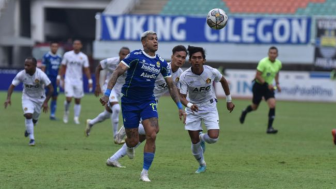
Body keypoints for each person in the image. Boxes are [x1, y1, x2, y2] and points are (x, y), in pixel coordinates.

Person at [100, 31, 186, 182]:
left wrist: (180, 106)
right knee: (132, 141)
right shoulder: (135, 56)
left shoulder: (160, 62)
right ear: (143, 42)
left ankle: (144, 173)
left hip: (148, 101)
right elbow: (117, 72)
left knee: (152, 133)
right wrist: (107, 93)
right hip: (129, 101)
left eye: (156, 39)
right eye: (151, 39)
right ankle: (128, 143)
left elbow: (171, 86)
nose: (155, 41)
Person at [178, 45, 235, 173]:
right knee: (194, 141)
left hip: (209, 106)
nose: (197, 60)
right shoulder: (185, 76)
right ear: (190, 60)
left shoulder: (212, 72)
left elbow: (224, 81)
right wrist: (189, 105)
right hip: (193, 108)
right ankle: (202, 164)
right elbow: (181, 97)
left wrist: (229, 100)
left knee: (213, 138)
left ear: (204, 60)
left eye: (199, 58)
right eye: (194, 58)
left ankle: (202, 137)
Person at [4, 57, 53, 146]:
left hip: (39, 99)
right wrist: (8, 98)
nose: (26, 67)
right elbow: (12, 86)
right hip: (27, 98)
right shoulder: (21, 74)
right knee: (28, 115)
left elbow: (51, 89)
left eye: (28, 65)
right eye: (25, 65)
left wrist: (46, 102)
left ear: (34, 66)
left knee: (34, 119)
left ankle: (30, 127)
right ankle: (32, 139)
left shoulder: (41, 75)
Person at [85, 47, 130, 144]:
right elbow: (98, 68)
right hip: (109, 88)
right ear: (119, 54)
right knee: (117, 109)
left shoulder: (131, 64)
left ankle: (91, 123)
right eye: (123, 54)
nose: (124, 56)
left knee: (108, 113)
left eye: (127, 54)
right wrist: (97, 84)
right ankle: (116, 137)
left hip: (120, 91)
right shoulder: (111, 61)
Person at [239, 46, 282, 134]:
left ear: (277, 54)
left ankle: (269, 128)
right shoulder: (263, 62)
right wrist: (267, 84)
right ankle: (245, 111)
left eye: (274, 53)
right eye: (271, 53)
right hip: (259, 86)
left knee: (272, 104)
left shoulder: (279, 63)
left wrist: (277, 84)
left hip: (268, 87)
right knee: (255, 107)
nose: (273, 55)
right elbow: (257, 75)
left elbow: (277, 73)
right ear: (268, 54)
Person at [58, 40, 93, 124]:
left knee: (77, 100)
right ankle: (66, 113)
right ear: (73, 45)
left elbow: (86, 69)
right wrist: (59, 76)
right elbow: (63, 66)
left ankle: (76, 117)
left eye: (78, 44)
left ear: (81, 46)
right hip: (68, 80)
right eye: (75, 44)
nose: (76, 46)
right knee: (69, 98)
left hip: (78, 81)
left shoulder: (83, 57)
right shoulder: (67, 55)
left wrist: (90, 80)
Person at [41, 42, 62, 120]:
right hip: (48, 79)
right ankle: (37, 112)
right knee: (44, 96)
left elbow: (60, 68)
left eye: (56, 46)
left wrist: (59, 77)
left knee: (55, 96)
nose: (54, 48)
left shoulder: (59, 57)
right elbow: (43, 68)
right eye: (53, 46)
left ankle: (52, 115)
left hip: (55, 80)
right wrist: (42, 79)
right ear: (50, 47)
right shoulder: (46, 56)